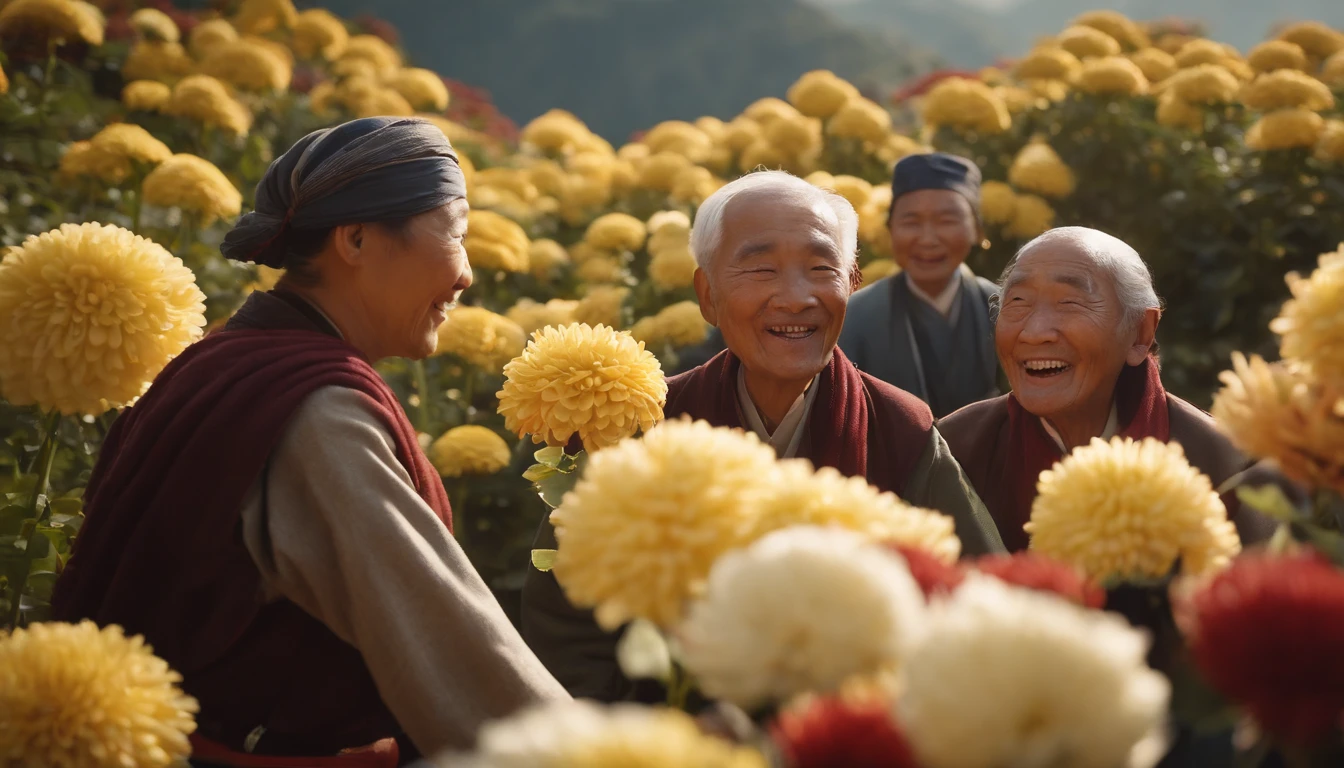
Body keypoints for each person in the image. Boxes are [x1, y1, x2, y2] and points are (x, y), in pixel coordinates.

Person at [51, 117, 567, 767]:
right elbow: (455, 653)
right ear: (354, 239)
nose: (466, 275)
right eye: (457, 235)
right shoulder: (316, 413)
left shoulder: (215, 363)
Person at [519, 170, 1004, 702]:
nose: (795, 298)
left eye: (822, 268)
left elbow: (977, 599)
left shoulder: (899, 428)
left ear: (853, 283)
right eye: (761, 268)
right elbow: (563, 630)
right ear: (707, 294)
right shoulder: (639, 428)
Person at [938, 226, 1278, 551]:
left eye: (1069, 303)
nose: (1034, 331)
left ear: (1141, 334)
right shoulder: (955, 448)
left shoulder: (1222, 463)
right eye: (1018, 301)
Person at [838, 153, 999, 418]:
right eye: (911, 222)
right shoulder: (854, 315)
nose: (927, 239)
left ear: (977, 230)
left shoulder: (1004, 308)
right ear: (890, 230)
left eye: (946, 221)